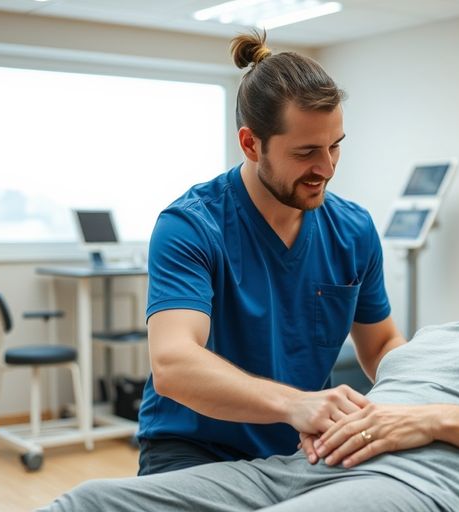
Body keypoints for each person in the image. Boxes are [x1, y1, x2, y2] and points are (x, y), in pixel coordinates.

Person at [40, 190, 459, 512]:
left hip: (422, 487)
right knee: (89, 502)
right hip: (301, 468)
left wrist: (430, 419)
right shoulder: (435, 337)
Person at [135, 30, 406, 476]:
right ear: (250, 144)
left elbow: (380, 344)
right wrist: (295, 404)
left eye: (335, 146)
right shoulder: (191, 226)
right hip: (196, 449)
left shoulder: (353, 230)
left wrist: (423, 393)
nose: (327, 168)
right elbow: (173, 363)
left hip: (305, 450)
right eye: (306, 152)